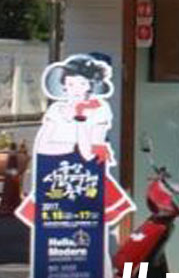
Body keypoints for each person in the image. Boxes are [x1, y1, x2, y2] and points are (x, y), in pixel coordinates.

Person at [14, 54, 135, 229]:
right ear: (64, 85)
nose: (76, 89)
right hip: (54, 173)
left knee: (90, 226)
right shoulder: (56, 109)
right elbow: (43, 147)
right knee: (51, 225)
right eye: (70, 84)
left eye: (82, 84)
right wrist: (72, 144)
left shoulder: (100, 110)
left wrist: (80, 121)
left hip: (85, 175)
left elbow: (88, 154)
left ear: (90, 85)